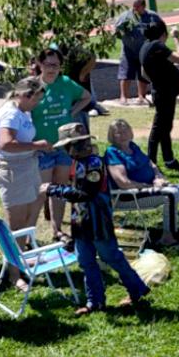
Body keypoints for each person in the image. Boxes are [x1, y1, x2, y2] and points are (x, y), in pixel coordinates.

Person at [43, 123, 152, 315]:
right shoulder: (77, 163)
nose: (73, 149)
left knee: (111, 257)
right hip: (80, 222)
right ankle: (95, 301)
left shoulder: (94, 164)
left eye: (75, 145)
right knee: (85, 261)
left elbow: (85, 192)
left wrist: (54, 189)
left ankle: (137, 290)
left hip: (97, 222)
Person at [104, 118, 179, 249]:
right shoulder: (112, 153)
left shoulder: (133, 147)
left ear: (131, 132)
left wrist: (158, 177)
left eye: (125, 131)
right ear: (112, 136)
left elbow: (150, 164)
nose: (122, 135)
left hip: (149, 190)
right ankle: (167, 238)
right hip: (128, 196)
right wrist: (150, 186)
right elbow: (123, 183)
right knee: (171, 194)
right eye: (117, 133)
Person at [30, 47, 92, 239]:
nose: (52, 69)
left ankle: (57, 230)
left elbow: (86, 97)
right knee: (41, 191)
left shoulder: (66, 83)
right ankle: (28, 233)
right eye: (48, 64)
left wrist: (72, 112)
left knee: (60, 188)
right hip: (42, 146)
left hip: (63, 145)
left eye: (56, 65)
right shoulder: (32, 87)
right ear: (39, 64)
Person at [0, 76, 52, 235]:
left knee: (32, 209)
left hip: (26, 165)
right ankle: (16, 257)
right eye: (36, 100)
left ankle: (25, 249)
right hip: (13, 170)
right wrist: (37, 145)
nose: (37, 104)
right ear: (24, 96)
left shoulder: (22, 111)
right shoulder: (11, 114)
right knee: (19, 221)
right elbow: (6, 143)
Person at [139, 18, 179, 174]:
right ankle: (151, 161)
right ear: (163, 34)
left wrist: (156, 80)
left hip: (161, 90)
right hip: (164, 92)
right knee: (159, 127)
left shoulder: (146, 46)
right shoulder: (157, 45)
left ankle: (169, 158)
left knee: (165, 127)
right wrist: (176, 37)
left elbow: (143, 72)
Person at [113, 0, 158, 105]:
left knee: (143, 73)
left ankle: (141, 96)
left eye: (137, 6)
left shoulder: (152, 16)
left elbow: (160, 30)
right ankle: (123, 97)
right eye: (133, 6)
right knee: (125, 73)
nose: (134, 9)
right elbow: (116, 31)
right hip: (128, 50)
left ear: (143, 6)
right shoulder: (125, 16)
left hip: (144, 51)